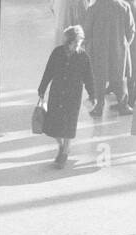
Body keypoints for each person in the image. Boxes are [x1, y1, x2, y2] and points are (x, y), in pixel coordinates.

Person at [37, 24, 94, 169]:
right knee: (54, 124)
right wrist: (42, 89)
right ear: (68, 41)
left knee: (69, 124)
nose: (76, 46)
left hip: (73, 95)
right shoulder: (57, 53)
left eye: (79, 43)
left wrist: (92, 94)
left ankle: (65, 151)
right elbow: (48, 71)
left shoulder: (83, 57)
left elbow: (89, 78)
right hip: (57, 93)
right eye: (74, 43)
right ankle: (61, 146)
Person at [84, 0, 135, 116]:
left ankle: (99, 107)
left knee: (99, 80)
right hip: (119, 50)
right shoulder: (124, 6)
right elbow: (131, 31)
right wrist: (123, 45)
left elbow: (86, 33)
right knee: (119, 79)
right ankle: (124, 106)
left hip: (99, 51)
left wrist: (89, 48)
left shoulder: (93, 9)